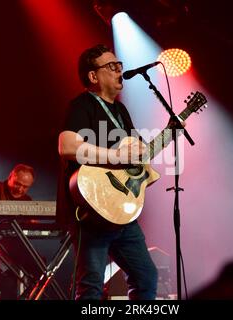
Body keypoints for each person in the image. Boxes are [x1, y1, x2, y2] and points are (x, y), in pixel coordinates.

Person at [57, 44, 158, 300]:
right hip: (91, 211)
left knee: (146, 278)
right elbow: (67, 146)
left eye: (120, 65)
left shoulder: (121, 112)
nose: (119, 71)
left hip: (120, 211)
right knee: (91, 286)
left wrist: (144, 171)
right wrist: (115, 155)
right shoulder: (82, 105)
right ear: (93, 76)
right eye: (112, 66)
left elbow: (136, 156)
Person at [0, 163, 35, 299]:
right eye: (18, 184)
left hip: (17, 247)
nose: (21, 189)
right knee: (11, 277)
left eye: (25, 186)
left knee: (39, 268)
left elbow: (33, 227)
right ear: (10, 177)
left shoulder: (27, 200)